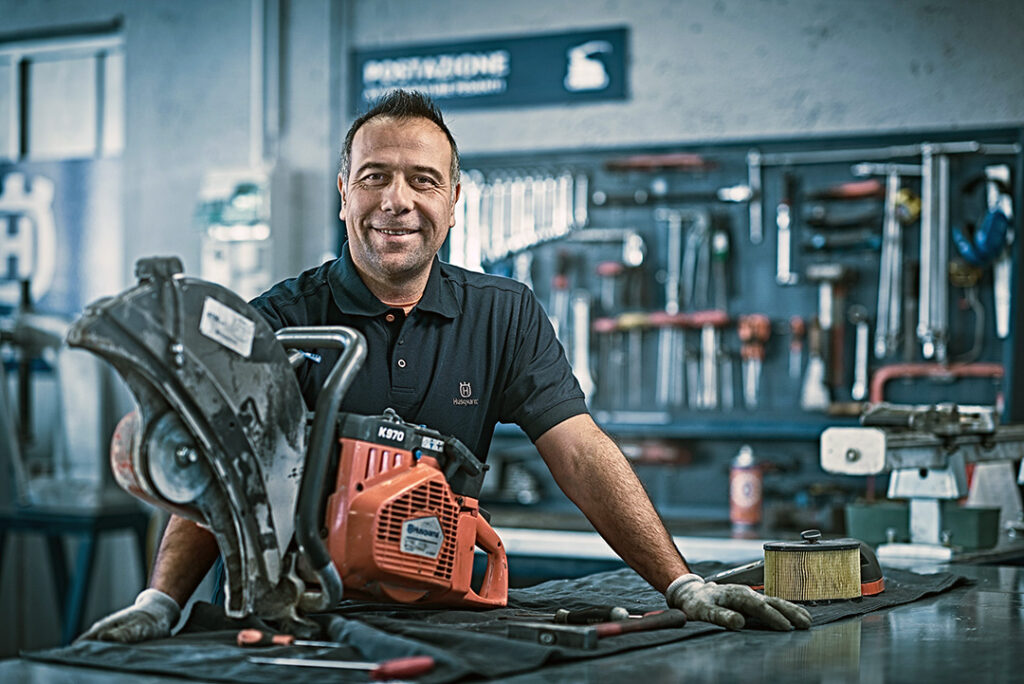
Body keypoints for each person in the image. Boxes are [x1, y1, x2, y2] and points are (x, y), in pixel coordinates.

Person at [80, 90, 810, 643]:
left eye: (423, 182)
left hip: (452, 624)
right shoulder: (275, 322)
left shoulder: (504, 313)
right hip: (306, 625)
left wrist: (680, 584)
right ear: (344, 193)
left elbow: (582, 452)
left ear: (454, 203)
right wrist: (161, 603)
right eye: (375, 177)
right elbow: (219, 469)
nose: (397, 202)